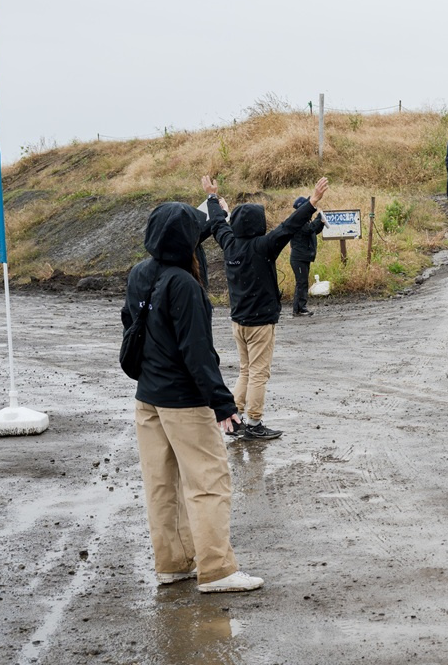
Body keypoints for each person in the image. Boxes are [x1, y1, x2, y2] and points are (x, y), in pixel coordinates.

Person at [122, 200, 263, 594]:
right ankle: (217, 570)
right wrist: (222, 404)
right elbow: (198, 352)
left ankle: (172, 564)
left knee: (161, 484)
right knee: (208, 482)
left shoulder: (139, 274)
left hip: (147, 398)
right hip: (183, 401)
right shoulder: (184, 283)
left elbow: (129, 325)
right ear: (187, 240)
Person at [204, 174, 329, 441]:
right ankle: (254, 424)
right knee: (259, 373)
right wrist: (312, 201)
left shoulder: (229, 243)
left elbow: (217, 224)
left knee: (246, 371)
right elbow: (288, 226)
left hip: (238, 322)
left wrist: (213, 199)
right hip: (260, 324)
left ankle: (235, 418)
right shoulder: (264, 246)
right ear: (257, 225)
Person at [289, 196, 326, 318]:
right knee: (301, 283)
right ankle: (299, 309)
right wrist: (318, 219)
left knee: (302, 282)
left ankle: (299, 308)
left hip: (303, 257)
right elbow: (309, 230)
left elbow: (313, 231)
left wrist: (320, 223)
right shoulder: (298, 221)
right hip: (299, 257)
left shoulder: (304, 221)